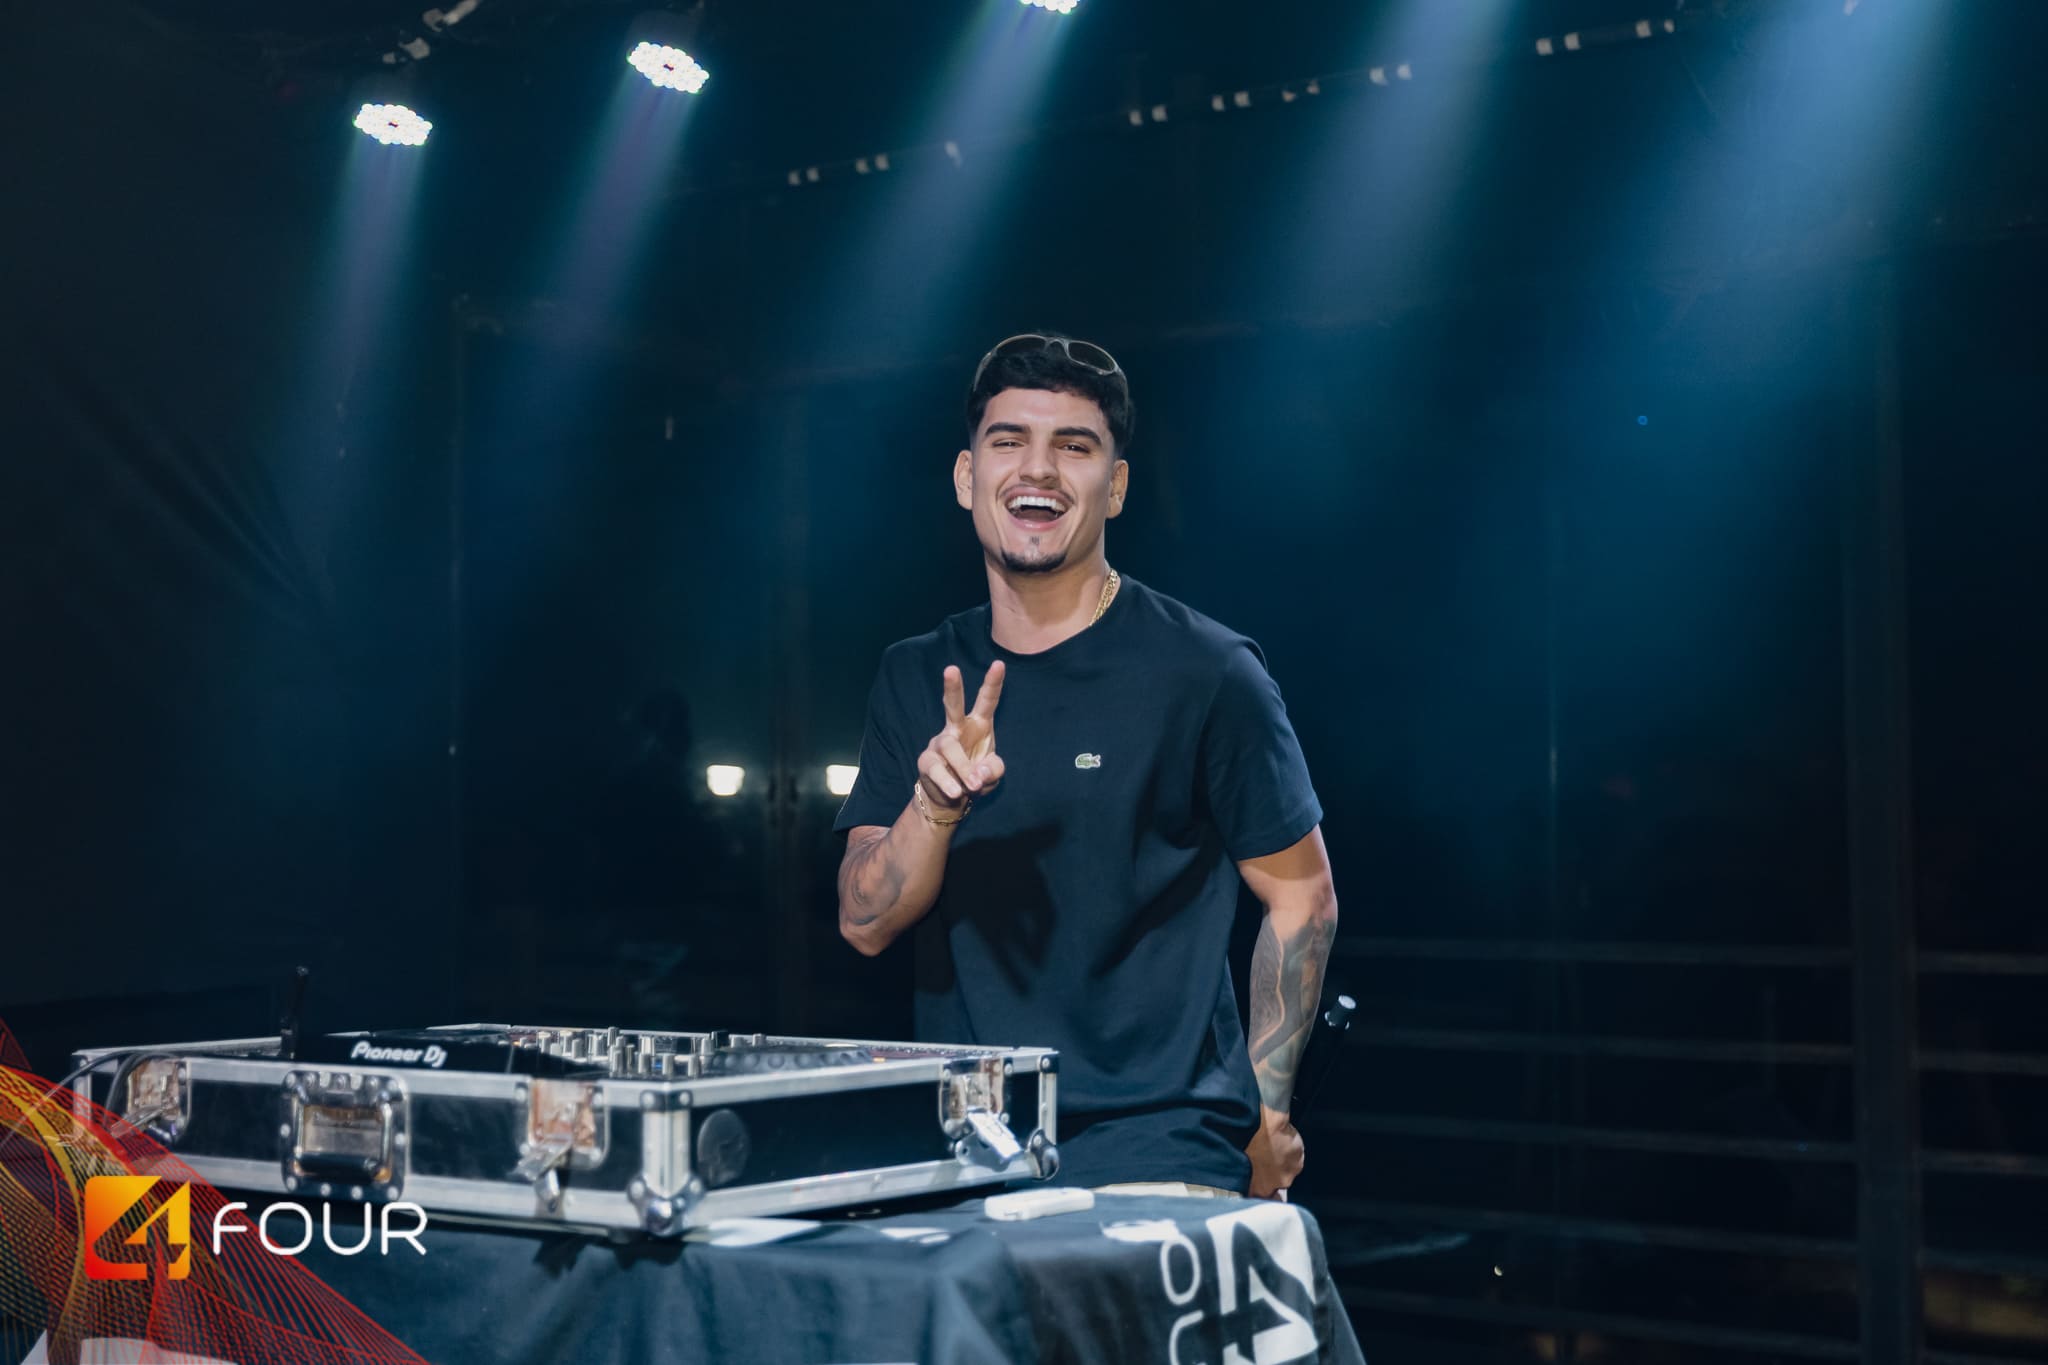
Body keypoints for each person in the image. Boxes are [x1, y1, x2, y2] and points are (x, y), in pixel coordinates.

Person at [832, 333, 1338, 1198]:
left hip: (1158, 1152)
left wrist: (1269, 1110)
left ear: (1118, 486)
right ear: (966, 477)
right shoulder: (918, 675)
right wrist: (934, 805)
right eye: (1009, 441)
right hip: (966, 1148)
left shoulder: (1207, 671)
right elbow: (863, 921)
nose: (1039, 469)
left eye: (1074, 445)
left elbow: (1303, 897)